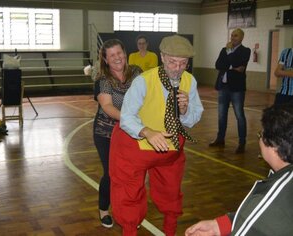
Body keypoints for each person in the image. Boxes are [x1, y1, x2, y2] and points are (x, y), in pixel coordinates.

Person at [110, 35, 203, 235]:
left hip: (169, 149)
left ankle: (170, 231)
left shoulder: (190, 81)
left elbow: (194, 118)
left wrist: (186, 110)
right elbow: (126, 117)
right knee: (129, 194)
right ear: (162, 57)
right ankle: (129, 231)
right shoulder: (143, 81)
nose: (177, 68)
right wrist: (147, 132)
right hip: (134, 146)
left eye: (183, 63)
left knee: (171, 192)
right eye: (172, 62)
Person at [185, 103, 293, 236]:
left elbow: (262, 218)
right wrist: (220, 225)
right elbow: (257, 218)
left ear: (273, 145)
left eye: (261, 134)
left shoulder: (276, 195)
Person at [93, 39, 142, 228]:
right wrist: (130, 120)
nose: (117, 58)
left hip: (131, 132)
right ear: (105, 59)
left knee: (132, 174)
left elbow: (147, 94)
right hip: (106, 132)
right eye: (112, 55)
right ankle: (104, 210)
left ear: (125, 53)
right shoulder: (102, 80)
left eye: (119, 53)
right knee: (112, 174)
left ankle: (128, 212)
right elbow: (106, 106)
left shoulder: (137, 72)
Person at [209, 28, 251, 154]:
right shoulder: (224, 49)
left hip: (237, 88)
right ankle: (220, 138)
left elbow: (239, 64)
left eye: (236, 36)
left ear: (242, 37)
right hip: (223, 86)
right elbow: (218, 65)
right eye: (232, 35)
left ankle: (242, 142)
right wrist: (233, 66)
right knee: (222, 115)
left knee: (239, 115)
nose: (233, 38)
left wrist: (230, 56)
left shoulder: (245, 51)